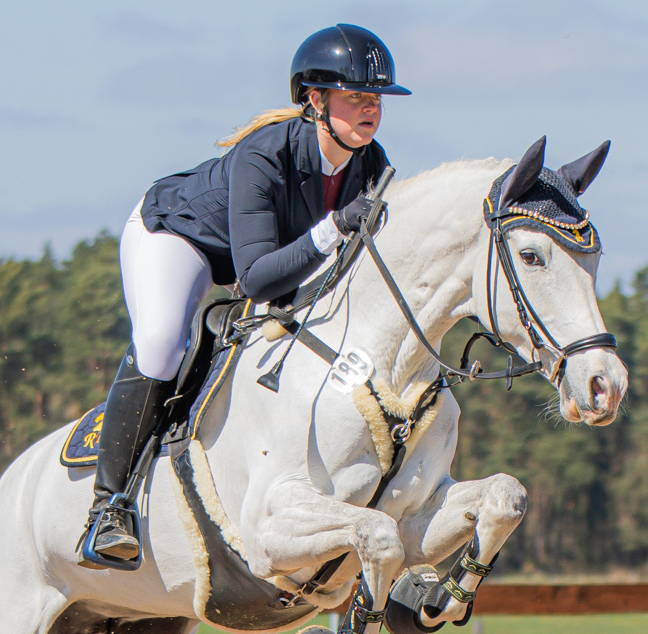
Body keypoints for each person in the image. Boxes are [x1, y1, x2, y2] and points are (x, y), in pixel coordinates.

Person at [79, 24, 411, 568]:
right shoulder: (264, 156)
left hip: (264, 260)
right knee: (163, 342)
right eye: (356, 98)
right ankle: (108, 508)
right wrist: (334, 229)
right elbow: (256, 278)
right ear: (315, 99)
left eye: (375, 99)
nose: (370, 110)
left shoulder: (371, 165)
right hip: (183, 238)